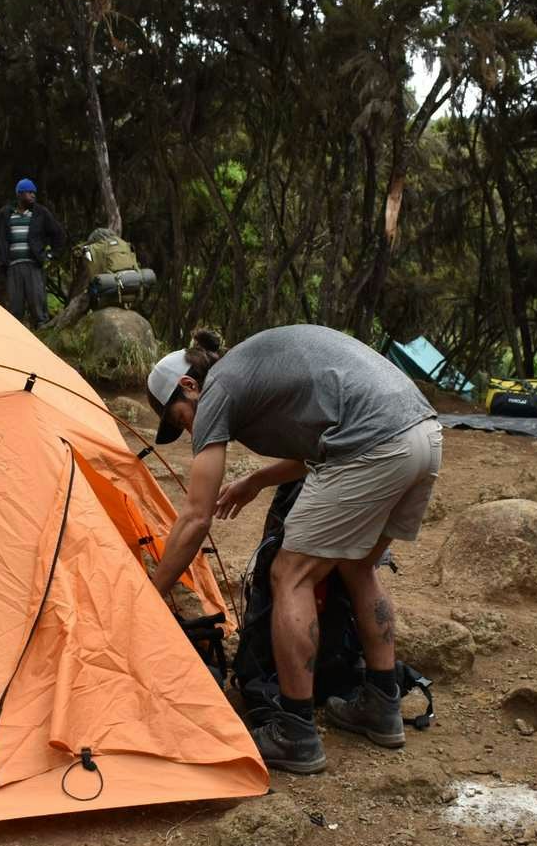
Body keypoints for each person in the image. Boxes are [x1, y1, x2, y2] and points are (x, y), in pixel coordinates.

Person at [146, 326, 442, 774]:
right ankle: (382, 704)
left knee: (290, 575)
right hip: (423, 434)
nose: (190, 430)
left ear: (188, 385)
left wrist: (148, 598)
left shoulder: (219, 386)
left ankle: (295, 731)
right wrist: (256, 480)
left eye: (181, 419)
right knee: (358, 565)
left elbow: (195, 518)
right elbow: (319, 449)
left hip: (374, 442)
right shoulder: (257, 373)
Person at [0, 178, 66, 328]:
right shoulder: (6, 213)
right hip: (12, 266)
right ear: (20, 194)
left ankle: (42, 332)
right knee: (15, 306)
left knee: (37, 302)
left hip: (34, 265)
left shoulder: (40, 212)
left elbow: (59, 234)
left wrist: (51, 255)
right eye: (29, 193)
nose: (33, 196)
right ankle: (18, 335)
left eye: (34, 193)